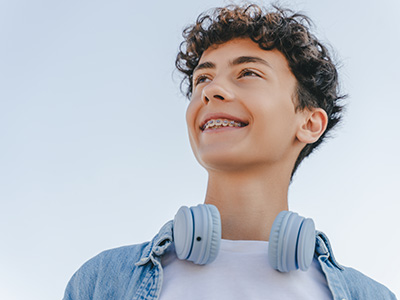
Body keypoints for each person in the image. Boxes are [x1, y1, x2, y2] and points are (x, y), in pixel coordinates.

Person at [63, 4, 396, 299]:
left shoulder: (368, 296)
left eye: (247, 73)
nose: (212, 90)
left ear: (309, 123)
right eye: (202, 78)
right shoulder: (103, 282)